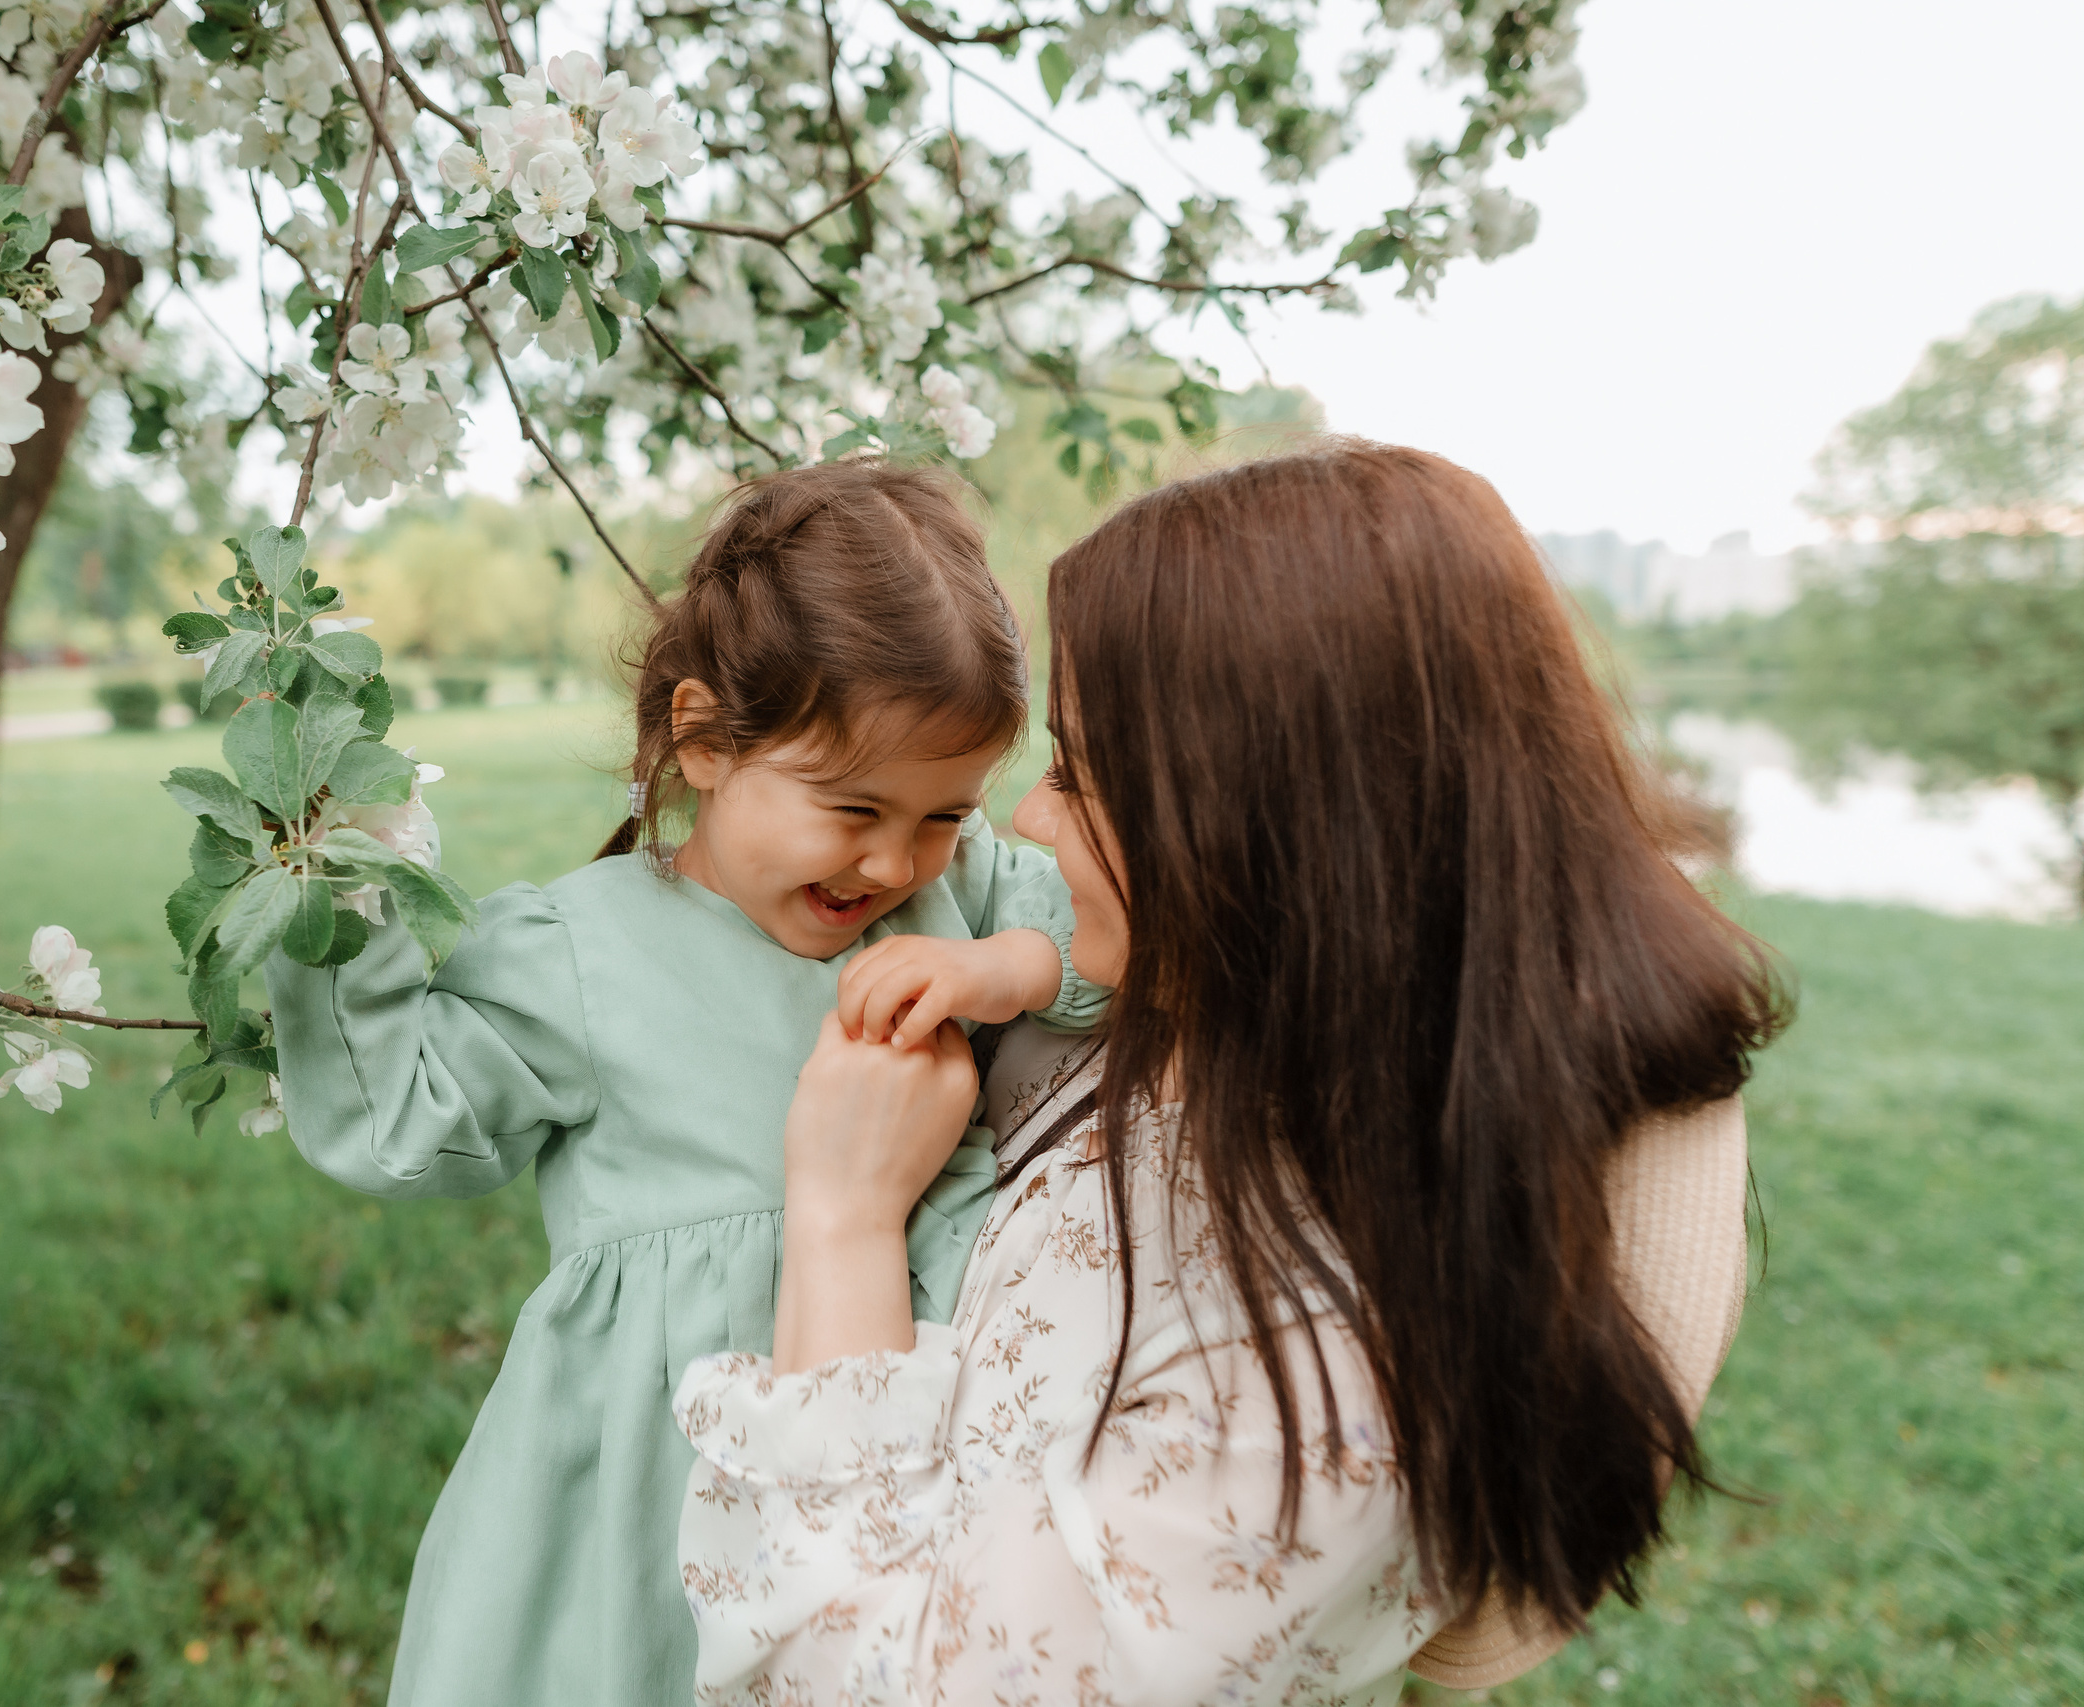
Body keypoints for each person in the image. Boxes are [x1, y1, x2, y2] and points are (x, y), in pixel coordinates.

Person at [676, 439, 1786, 1702]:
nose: (1027, 817)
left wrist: (843, 1217)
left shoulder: (1326, 1410)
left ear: (1262, 833)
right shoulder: (1189, 1018)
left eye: (1081, 772)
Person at [266, 461, 1110, 1707]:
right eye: (854, 808)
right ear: (705, 740)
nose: (894, 863)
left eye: (942, 814)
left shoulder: (966, 896)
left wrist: (1004, 968)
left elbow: (1116, 951)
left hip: (930, 1439)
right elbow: (397, 1124)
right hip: (659, 1482)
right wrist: (344, 895)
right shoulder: (581, 950)